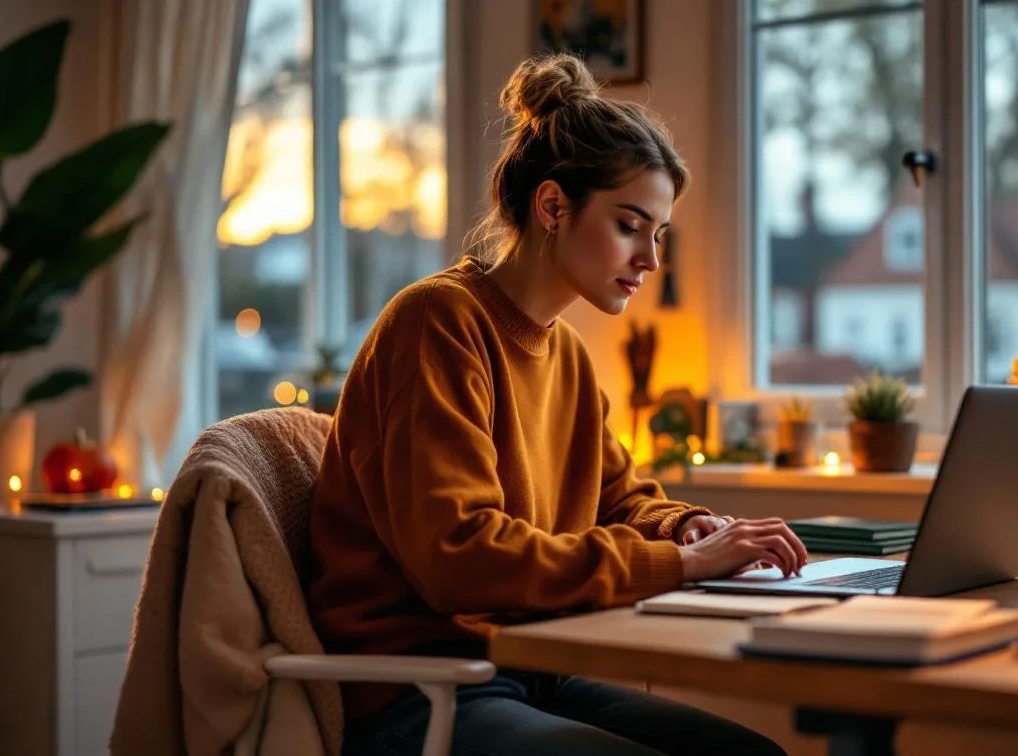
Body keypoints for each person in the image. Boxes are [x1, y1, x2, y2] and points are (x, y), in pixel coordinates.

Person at [306, 52, 807, 756]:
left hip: (531, 670)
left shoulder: (565, 354)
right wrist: (682, 567)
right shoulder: (436, 324)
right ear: (552, 206)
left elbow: (620, 499)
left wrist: (688, 527)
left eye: (658, 234)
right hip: (421, 691)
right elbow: (463, 557)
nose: (651, 260)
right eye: (631, 225)